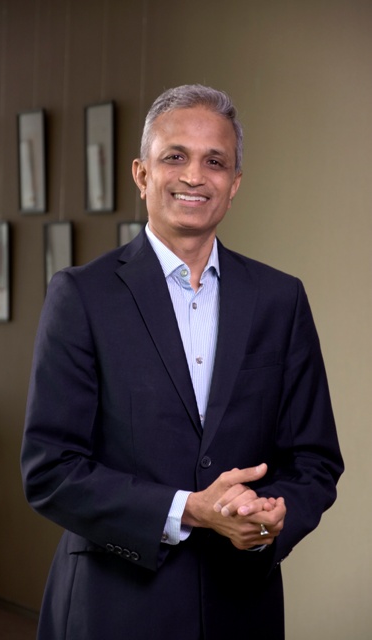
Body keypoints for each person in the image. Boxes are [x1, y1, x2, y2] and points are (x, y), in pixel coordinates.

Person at [21, 84, 344, 640]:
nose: (195, 176)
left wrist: (272, 516)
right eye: (175, 156)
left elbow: (314, 459)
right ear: (142, 174)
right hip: (114, 610)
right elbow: (51, 470)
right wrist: (190, 510)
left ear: (234, 183)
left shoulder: (280, 299)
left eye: (215, 162)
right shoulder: (81, 296)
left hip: (241, 608)